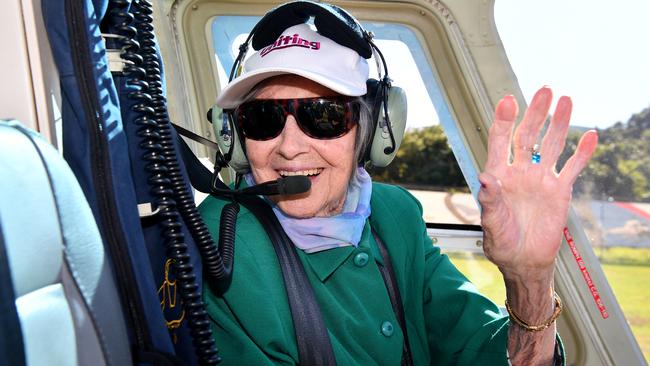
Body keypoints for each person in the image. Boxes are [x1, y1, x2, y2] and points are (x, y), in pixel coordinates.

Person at [198, 2, 598, 365]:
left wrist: (530, 279)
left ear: (374, 129)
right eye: (262, 118)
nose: (288, 148)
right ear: (234, 135)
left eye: (323, 116)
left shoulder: (395, 214)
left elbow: (481, 348)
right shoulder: (223, 243)